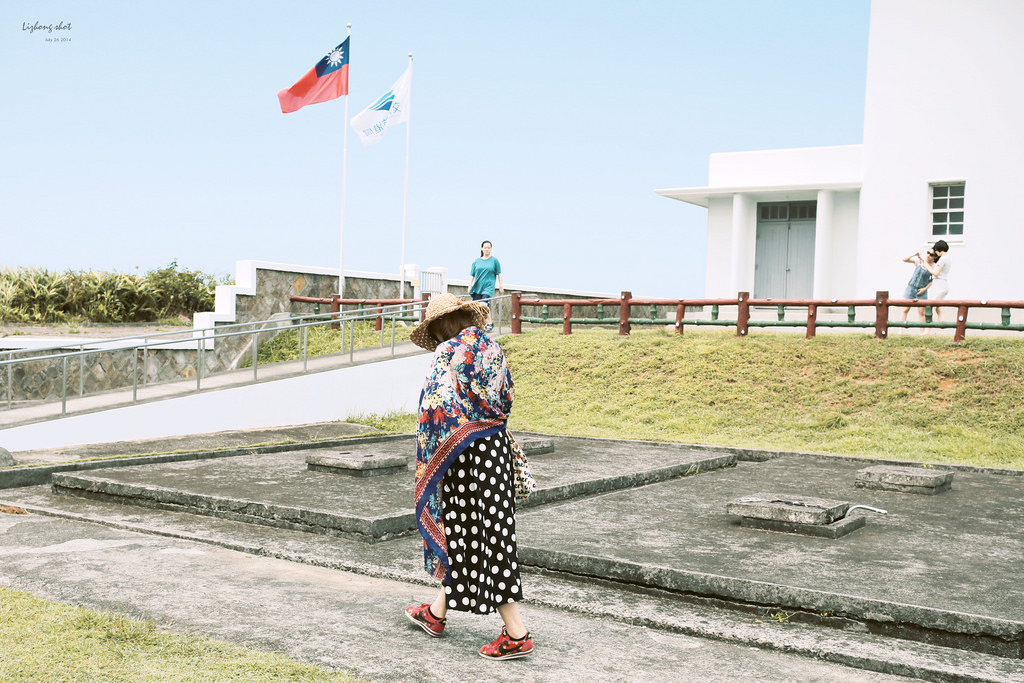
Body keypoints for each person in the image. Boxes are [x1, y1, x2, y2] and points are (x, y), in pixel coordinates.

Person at [405, 293, 534, 660]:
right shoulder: (492, 348)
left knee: (480, 539)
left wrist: (432, 455)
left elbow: (433, 409)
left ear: (440, 325)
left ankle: (517, 633)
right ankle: (435, 613)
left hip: (462, 458)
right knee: (477, 536)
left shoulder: (446, 353)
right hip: (494, 450)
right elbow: (506, 394)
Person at [468, 241, 503, 330]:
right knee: (477, 307)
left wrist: (501, 286)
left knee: (484, 304)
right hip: (478, 287)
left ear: (491, 249)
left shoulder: (494, 261)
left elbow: (499, 274)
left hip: (488, 287)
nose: (487, 249)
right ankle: (481, 324)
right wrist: (469, 286)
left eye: (489, 248)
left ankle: (490, 323)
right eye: (485, 247)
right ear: (482, 248)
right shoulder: (476, 261)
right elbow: (472, 275)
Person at [899, 250, 935, 332]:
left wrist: (925, 289)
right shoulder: (919, 261)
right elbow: (905, 259)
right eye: (928, 252)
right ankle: (900, 330)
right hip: (911, 287)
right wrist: (915, 254)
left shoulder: (934, 267)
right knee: (905, 309)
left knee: (921, 312)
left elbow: (933, 280)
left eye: (931, 254)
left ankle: (922, 332)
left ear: (935, 257)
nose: (928, 255)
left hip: (922, 290)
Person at [919, 240, 951, 326]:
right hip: (944, 284)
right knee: (939, 309)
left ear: (938, 249)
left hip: (938, 285)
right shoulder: (948, 258)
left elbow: (936, 273)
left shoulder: (942, 259)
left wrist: (926, 265)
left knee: (930, 307)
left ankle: (927, 329)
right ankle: (941, 331)